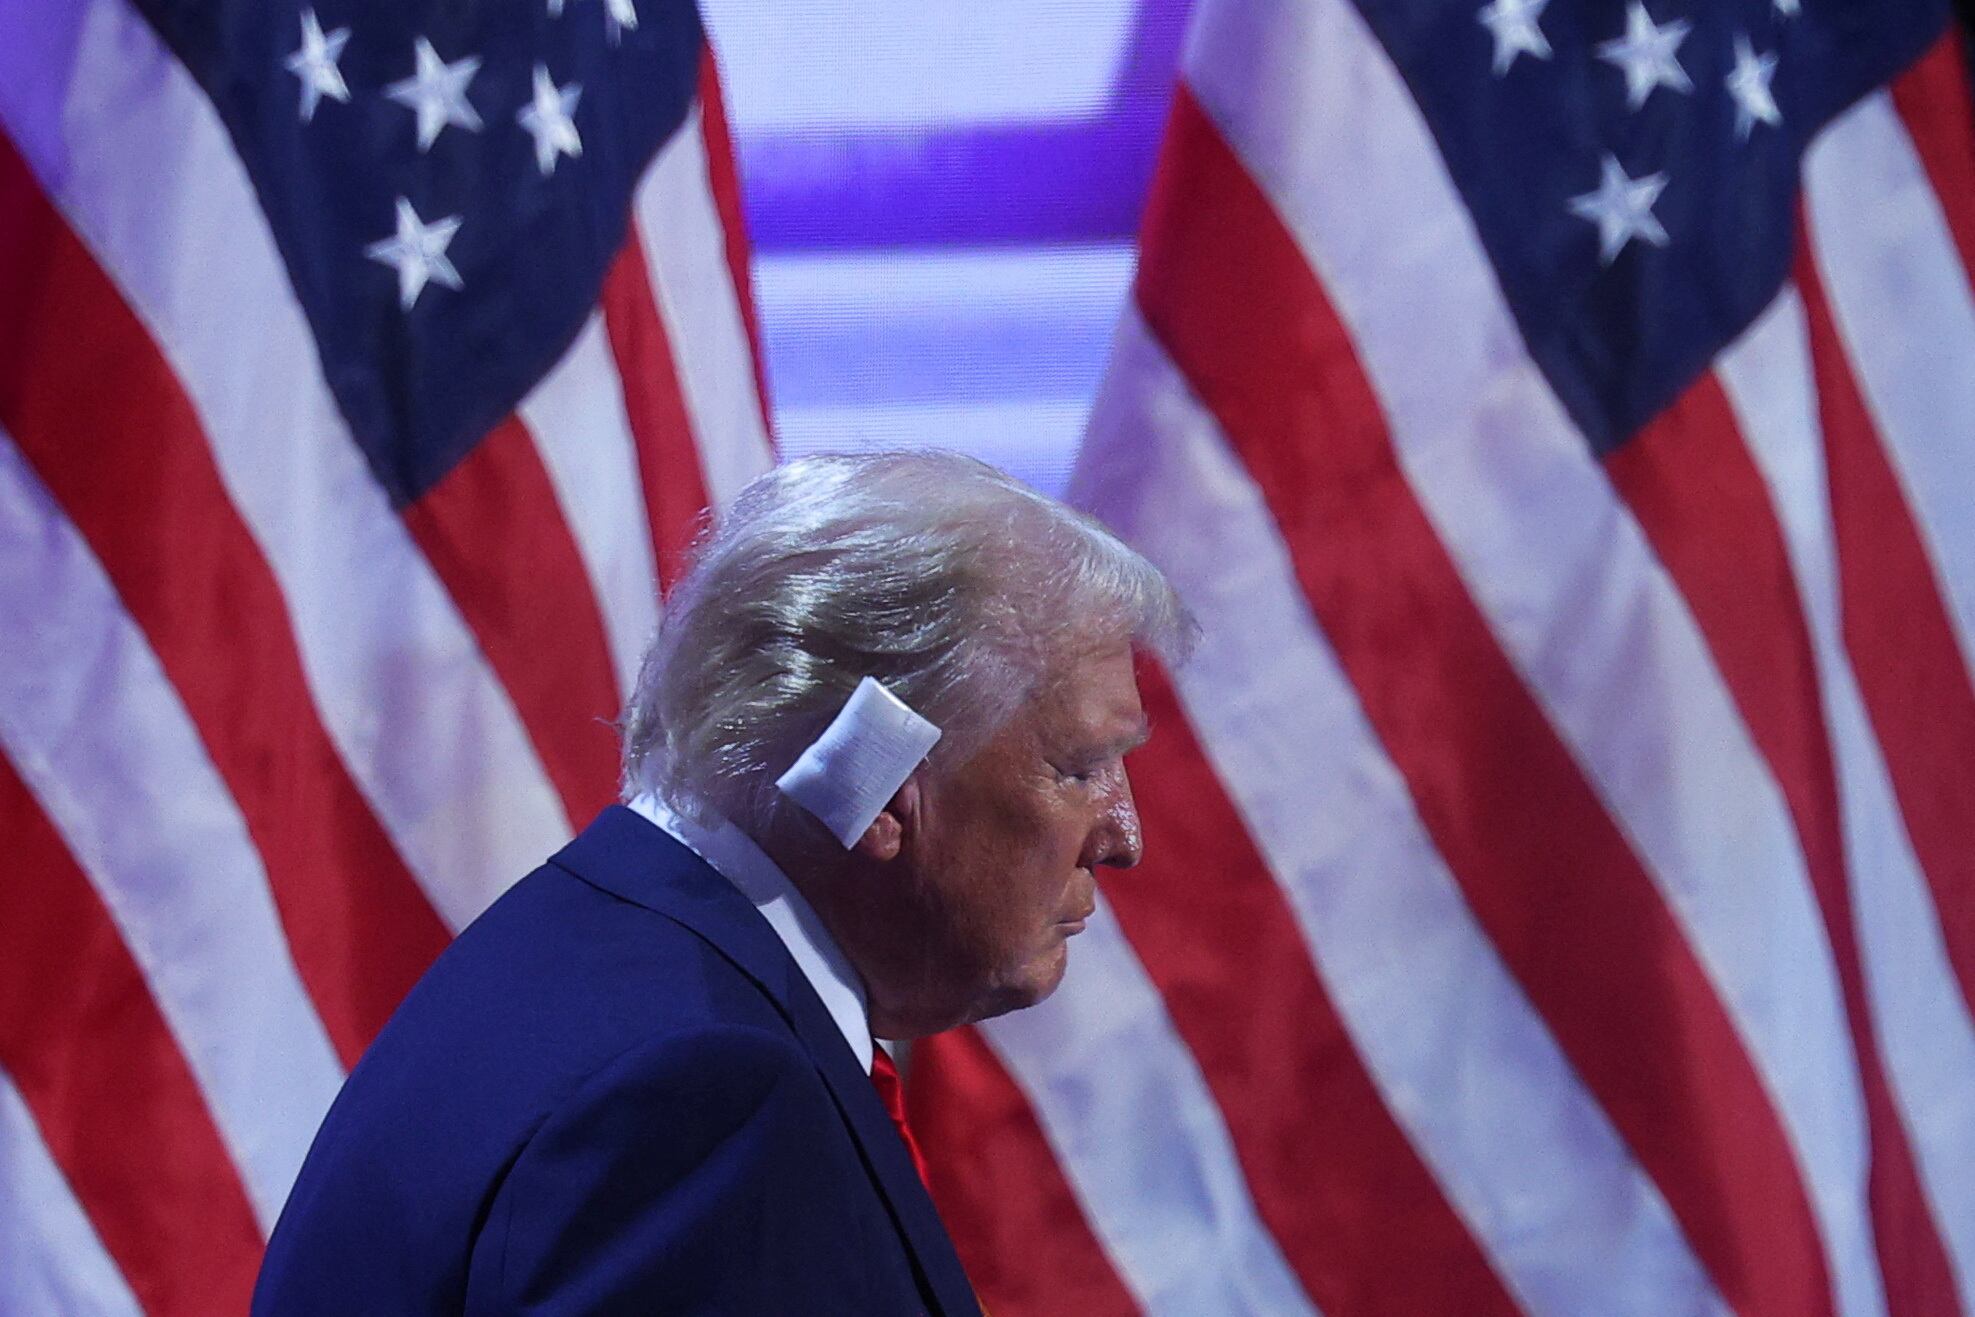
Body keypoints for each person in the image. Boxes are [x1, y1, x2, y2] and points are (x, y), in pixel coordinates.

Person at [252, 450, 1194, 1314]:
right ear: (879, 788)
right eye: (1078, 767)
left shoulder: (589, 958)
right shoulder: (706, 1098)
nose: (1122, 836)